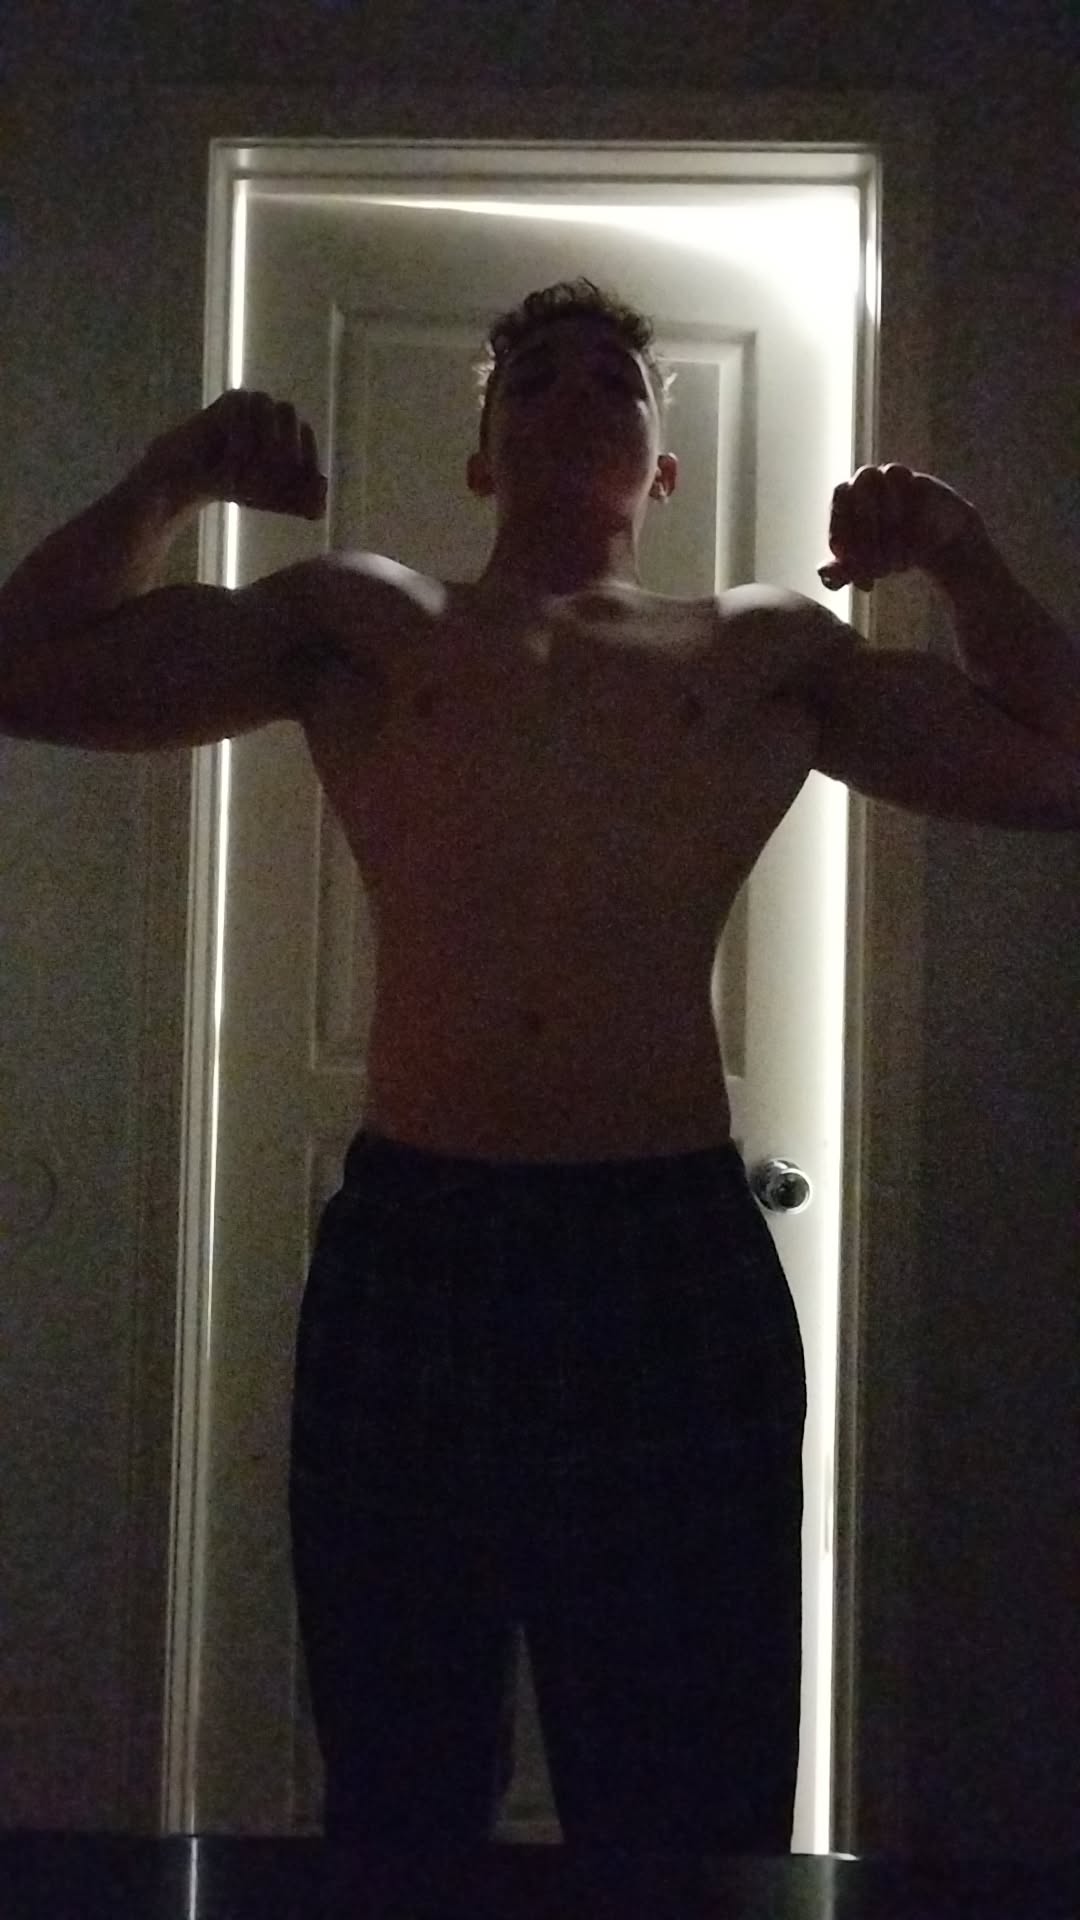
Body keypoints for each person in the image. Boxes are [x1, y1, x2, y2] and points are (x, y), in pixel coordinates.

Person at [1, 278, 1077, 1856]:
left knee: (689, 1802)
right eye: (534, 377)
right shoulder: (364, 623)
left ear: (664, 467)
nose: (576, 391)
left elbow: (1062, 765)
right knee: (401, 1784)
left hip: (667, 1262)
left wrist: (962, 556)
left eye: (617, 379)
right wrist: (169, 480)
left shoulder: (762, 648)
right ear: (481, 455)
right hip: (418, 1251)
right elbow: (23, 668)